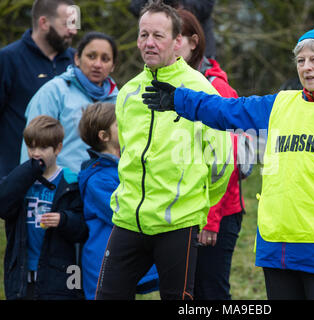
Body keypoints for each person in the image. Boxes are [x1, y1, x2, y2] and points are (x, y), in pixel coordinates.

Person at [144, 25, 314, 300]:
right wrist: (179, 99)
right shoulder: (281, 105)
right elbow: (227, 110)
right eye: (300, 60)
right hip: (277, 251)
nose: (307, 67)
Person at [95, 1, 233, 300]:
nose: (149, 43)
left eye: (158, 35)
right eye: (143, 35)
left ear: (176, 40)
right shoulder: (128, 93)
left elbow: (223, 161)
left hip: (178, 224)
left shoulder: (201, 90)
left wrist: (199, 204)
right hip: (129, 218)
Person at [175, 8, 250, 300]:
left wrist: (211, 220)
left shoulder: (217, 88)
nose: (167, 42)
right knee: (185, 293)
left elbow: (226, 163)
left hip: (217, 214)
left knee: (211, 293)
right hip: (181, 210)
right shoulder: (164, 85)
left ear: (194, 42)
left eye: (176, 36)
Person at [77, 102, 159, 300]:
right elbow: (124, 212)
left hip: (123, 261)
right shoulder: (98, 179)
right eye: (120, 123)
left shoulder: (122, 168)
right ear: (104, 137)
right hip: (103, 264)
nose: (128, 126)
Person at [0, 115, 88, 300]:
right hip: (22, 276)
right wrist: (28, 171)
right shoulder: (20, 181)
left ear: (58, 148)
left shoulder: (70, 183)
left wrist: (63, 219)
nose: (36, 153)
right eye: (31, 147)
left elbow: (82, 228)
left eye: (43, 147)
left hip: (59, 277)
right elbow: (4, 205)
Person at [20, 31, 119, 174]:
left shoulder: (119, 99)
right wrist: (27, 184)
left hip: (105, 185)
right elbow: (32, 143)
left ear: (113, 65)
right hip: (60, 188)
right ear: (77, 58)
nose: (97, 64)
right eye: (91, 56)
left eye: (105, 59)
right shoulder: (53, 92)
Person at [0, 0, 77, 178]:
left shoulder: (77, 61)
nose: (73, 31)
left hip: (65, 183)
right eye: (67, 24)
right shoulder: (8, 60)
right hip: (14, 178)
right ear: (44, 23)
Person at [129, 0, 217, 58]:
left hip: (198, 52)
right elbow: (135, 7)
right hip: (160, 51)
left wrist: (175, 4)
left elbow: (204, 7)